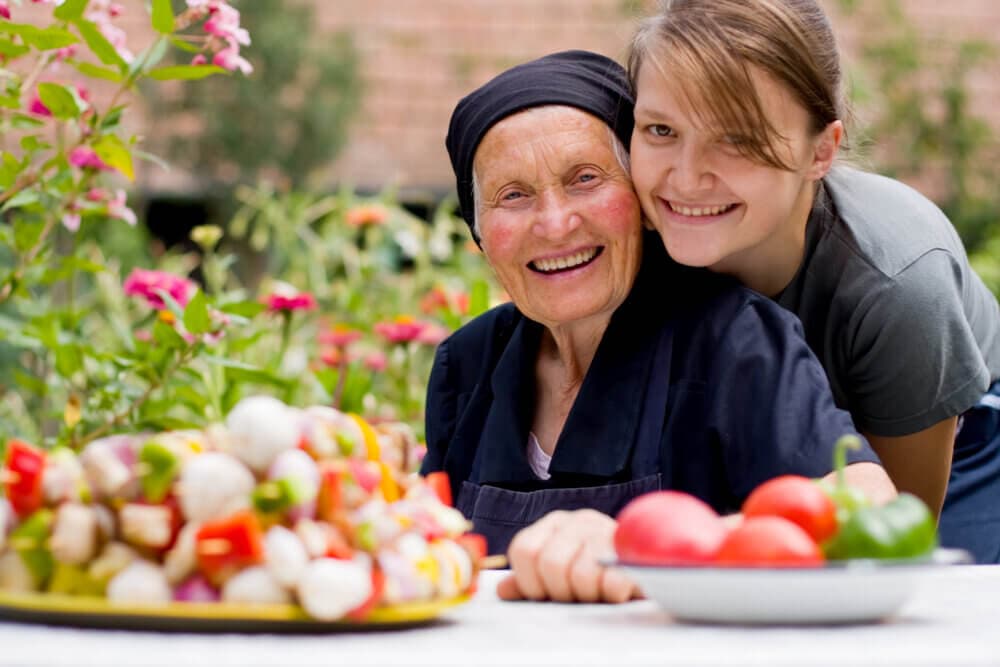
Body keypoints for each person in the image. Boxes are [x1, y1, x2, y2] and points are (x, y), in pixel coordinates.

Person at [422, 49, 896, 602]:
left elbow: (867, 505)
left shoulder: (732, 338)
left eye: (585, 179)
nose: (554, 225)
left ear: (642, 200)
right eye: (513, 196)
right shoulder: (469, 363)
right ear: (479, 234)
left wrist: (649, 544)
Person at [626, 0, 1000, 563]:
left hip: (956, 442)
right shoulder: (635, 232)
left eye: (737, 139)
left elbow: (892, 527)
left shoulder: (897, 284)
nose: (685, 177)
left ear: (820, 150)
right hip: (774, 434)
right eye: (660, 129)